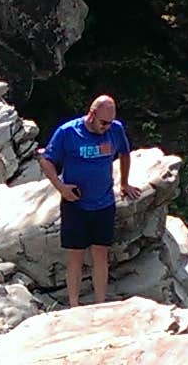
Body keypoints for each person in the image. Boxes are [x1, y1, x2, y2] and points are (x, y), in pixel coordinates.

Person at [40, 94, 133, 307]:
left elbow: (125, 153)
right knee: (76, 256)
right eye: (103, 122)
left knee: (101, 254)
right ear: (92, 115)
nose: (107, 127)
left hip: (104, 202)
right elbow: (46, 160)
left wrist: (125, 183)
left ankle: (99, 304)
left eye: (110, 122)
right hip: (76, 203)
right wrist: (60, 187)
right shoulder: (68, 132)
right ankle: (74, 305)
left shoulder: (115, 129)